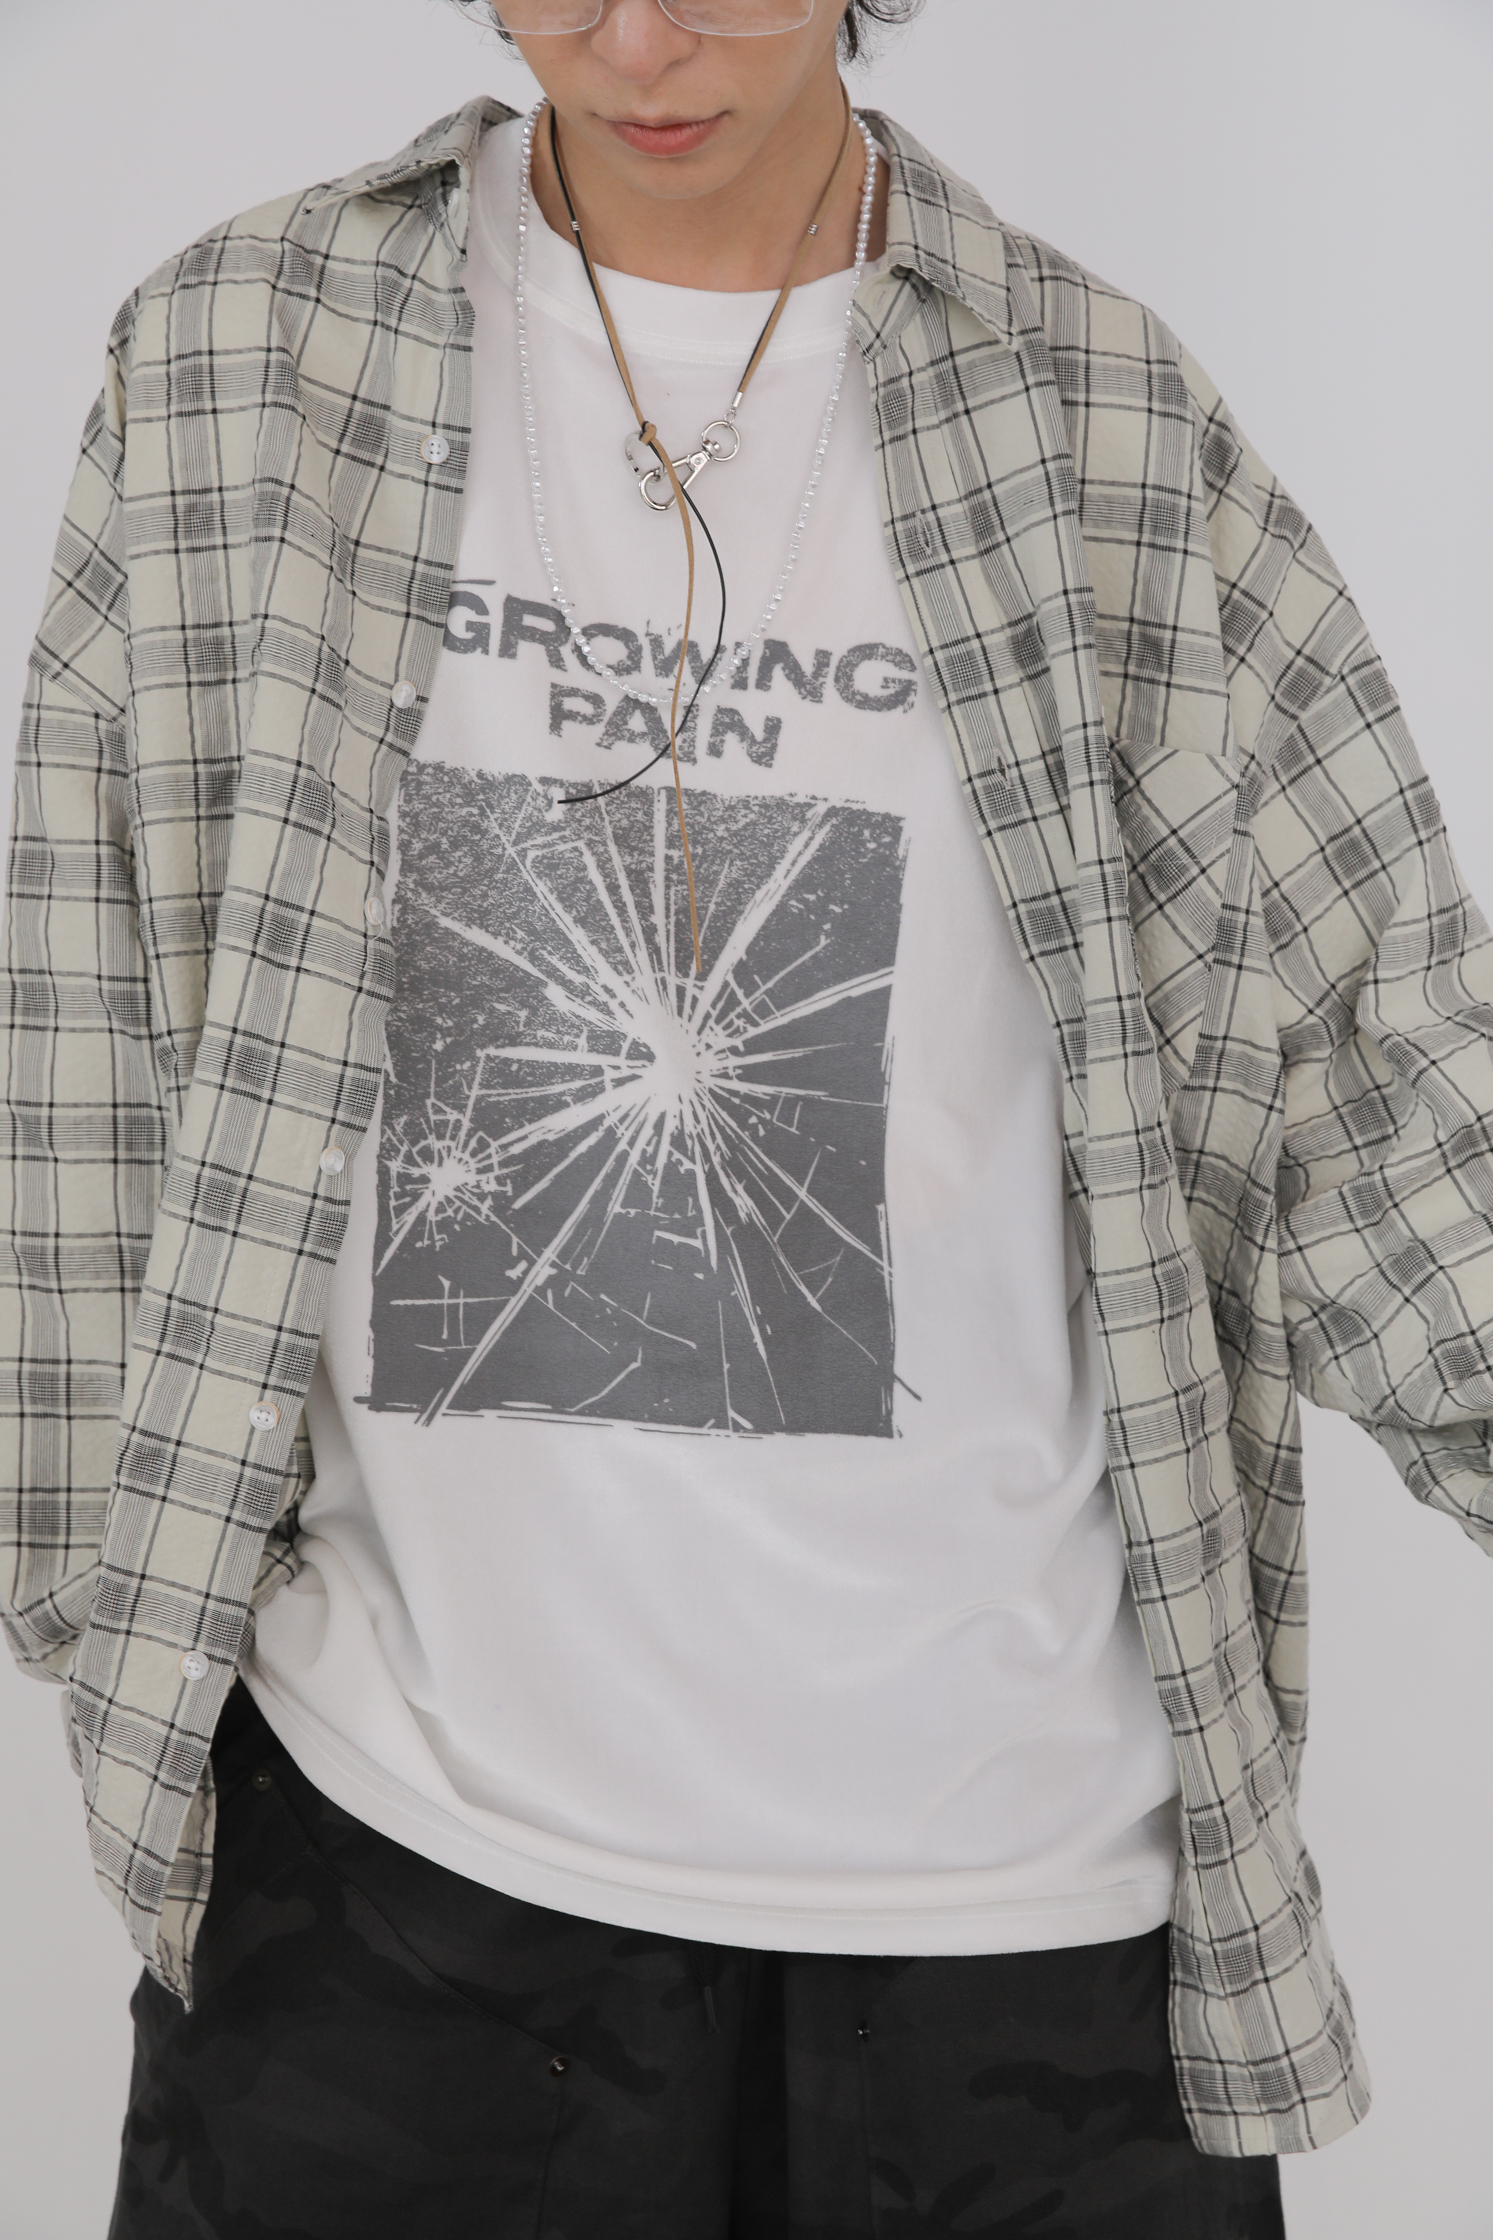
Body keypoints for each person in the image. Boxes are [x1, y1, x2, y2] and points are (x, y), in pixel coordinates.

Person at [4, 0, 1490, 2230]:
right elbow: (80, 1011)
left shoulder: (1100, 415)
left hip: (1019, 1933)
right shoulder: (243, 358)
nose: (635, 38)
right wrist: (97, 1588)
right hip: (389, 1891)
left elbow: (1379, 1065)